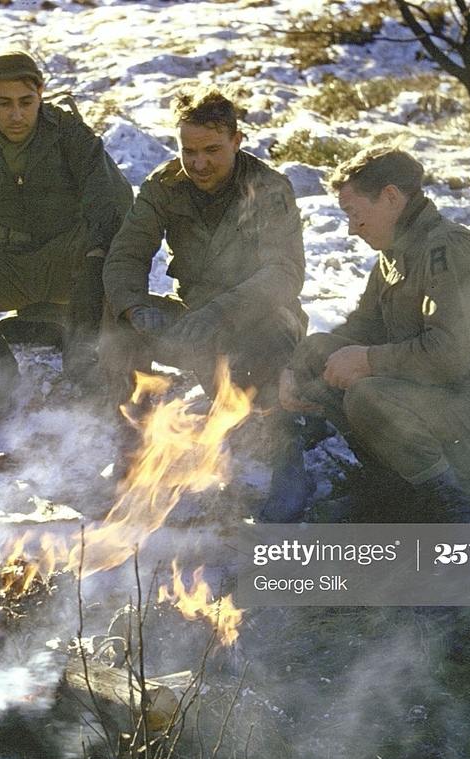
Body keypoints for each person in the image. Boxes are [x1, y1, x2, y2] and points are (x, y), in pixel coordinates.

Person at [277, 146, 470, 523]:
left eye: (355, 213)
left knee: (368, 394)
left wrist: (368, 361)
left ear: (390, 198)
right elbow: (361, 330)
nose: (351, 227)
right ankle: (400, 491)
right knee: (326, 359)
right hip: (450, 411)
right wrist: (300, 363)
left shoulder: (448, 250)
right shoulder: (395, 256)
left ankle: (457, 512)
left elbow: (449, 356)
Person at [100, 86, 309, 519]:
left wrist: (219, 312)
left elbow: (283, 274)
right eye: (188, 151)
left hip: (261, 318)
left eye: (212, 150)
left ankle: (290, 465)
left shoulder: (268, 188)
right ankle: (135, 444)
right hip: (195, 319)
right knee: (120, 328)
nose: (198, 163)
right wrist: (137, 310)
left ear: (237, 140)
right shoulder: (165, 185)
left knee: (269, 396)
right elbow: (127, 255)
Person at [0, 49, 133, 422]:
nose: (16, 115)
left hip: (65, 257)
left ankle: (82, 352)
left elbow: (110, 196)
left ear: (41, 95)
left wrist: (98, 255)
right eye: (4, 103)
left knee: (115, 251)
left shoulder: (67, 131)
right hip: (1, 257)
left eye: (25, 102)